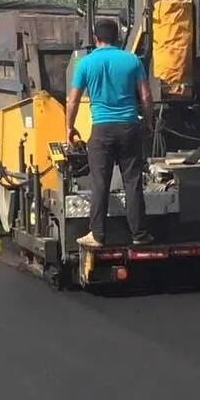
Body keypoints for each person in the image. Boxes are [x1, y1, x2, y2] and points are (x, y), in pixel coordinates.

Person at [66, 18, 154, 248]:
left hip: (102, 130)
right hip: (129, 126)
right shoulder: (132, 60)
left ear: (96, 39)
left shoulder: (86, 63)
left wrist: (69, 127)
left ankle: (97, 235)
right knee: (133, 182)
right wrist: (148, 121)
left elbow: (73, 100)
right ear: (118, 38)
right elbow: (145, 97)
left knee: (100, 183)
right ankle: (139, 234)